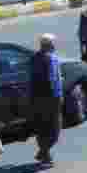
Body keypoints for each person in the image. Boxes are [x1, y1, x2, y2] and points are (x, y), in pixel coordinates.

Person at [30, 33, 63, 165]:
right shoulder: (52, 59)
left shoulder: (34, 58)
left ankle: (45, 154)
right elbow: (53, 80)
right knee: (55, 127)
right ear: (49, 45)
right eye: (53, 43)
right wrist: (58, 97)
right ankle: (43, 151)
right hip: (51, 98)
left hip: (37, 98)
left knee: (42, 127)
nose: (55, 46)